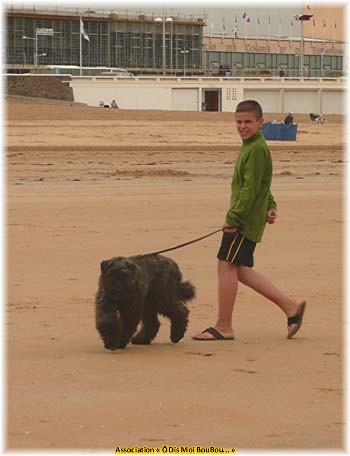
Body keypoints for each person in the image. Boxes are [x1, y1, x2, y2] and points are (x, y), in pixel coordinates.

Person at [193, 100, 306, 341]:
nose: (242, 126)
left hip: (243, 220)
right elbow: (261, 184)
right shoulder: (251, 146)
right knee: (239, 270)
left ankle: (224, 326)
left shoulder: (256, 149)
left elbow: (251, 189)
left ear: (260, 123)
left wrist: (233, 218)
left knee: (225, 265)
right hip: (249, 216)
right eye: (239, 122)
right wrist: (270, 205)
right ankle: (291, 307)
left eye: (248, 122)